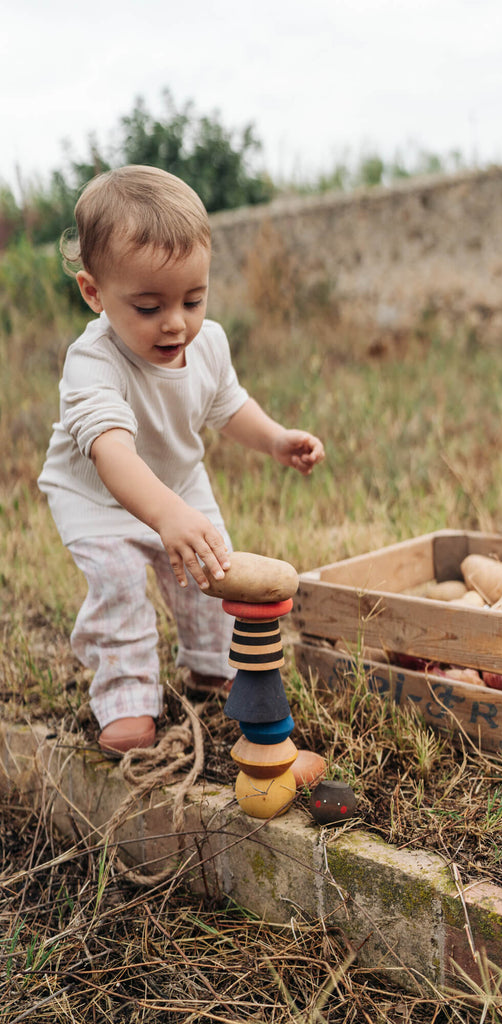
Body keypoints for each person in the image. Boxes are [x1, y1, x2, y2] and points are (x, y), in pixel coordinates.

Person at [38, 165, 325, 756]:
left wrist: (273, 439)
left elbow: (227, 404)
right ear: (94, 292)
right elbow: (112, 451)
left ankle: (210, 662)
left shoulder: (207, 342)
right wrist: (166, 516)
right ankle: (126, 695)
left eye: (193, 299)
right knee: (118, 584)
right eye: (148, 307)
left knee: (210, 572)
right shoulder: (92, 363)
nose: (176, 322)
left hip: (179, 482)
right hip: (95, 495)